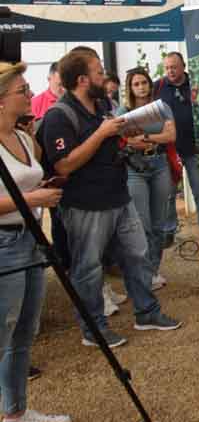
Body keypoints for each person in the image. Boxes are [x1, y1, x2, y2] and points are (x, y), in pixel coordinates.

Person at [39, 50, 182, 348]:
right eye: (99, 71)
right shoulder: (59, 116)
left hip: (118, 196)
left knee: (137, 254)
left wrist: (127, 137)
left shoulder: (102, 104)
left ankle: (146, 312)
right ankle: (94, 329)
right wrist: (102, 133)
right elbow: (64, 164)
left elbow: (110, 141)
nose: (104, 76)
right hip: (85, 205)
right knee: (88, 268)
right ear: (82, 80)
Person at [0, 61, 71, 422]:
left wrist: (40, 191)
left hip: (30, 237)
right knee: (2, 332)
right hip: (3, 244)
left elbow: (24, 183)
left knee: (25, 330)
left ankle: (16, 412)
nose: (30, 95)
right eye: (22, 91)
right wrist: (31, 200)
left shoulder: (25, 137)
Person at [117, 68, 176, 290]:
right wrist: (139, 141)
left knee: (160, 223)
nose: (141, 87)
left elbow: (171, 136)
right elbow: (123, 140)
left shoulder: (162, 108)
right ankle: (141, 274)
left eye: (144, 82)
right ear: (130, 88)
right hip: (134, 168)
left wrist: (146, 137)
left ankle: (153, 271)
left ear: (150, 85)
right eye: (136, 84)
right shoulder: (123, 111)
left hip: (159, 165)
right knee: (142, 224)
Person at [154, 52, 199, 228]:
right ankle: (169, 232)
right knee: (169, 194)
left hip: (194, 148)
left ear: (183, 67)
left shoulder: (196, 84)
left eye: (173, 67)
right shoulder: (157, 87)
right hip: (168, 150)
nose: (170, 71)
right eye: (167, 68)